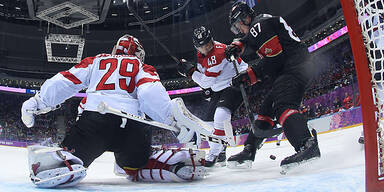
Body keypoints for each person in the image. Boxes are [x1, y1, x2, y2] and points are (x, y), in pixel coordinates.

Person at [21, 34, 208, 188]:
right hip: (133, 127)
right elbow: (150, 92)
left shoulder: (96, 61)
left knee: (73, 155)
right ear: (139, 53)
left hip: (95, 122)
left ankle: (63, 161)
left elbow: (65, 81)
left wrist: (38, 101)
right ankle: (140, 164)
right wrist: (172, 121)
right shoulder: (142, 66)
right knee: (137, 160)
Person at [224, 2, 320, 171]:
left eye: (239, 25)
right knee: (265, 110)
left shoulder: (258, 26)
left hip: (293, 68)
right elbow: (250, 39)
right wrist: (238, 44)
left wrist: (248, 75)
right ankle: (249, 150)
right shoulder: (261, 23)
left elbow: (275, 60)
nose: (239, 30)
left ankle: (306, 144)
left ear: (246, 18)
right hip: (294, 67)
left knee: (282, 106)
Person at [178, 26, 248, 167]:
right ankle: (220, 150)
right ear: (196, 47)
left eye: (208, 42)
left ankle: (214, 154)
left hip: (236, 82)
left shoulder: (217, 53)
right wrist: (193, 70)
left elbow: (206, 82)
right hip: (221, 86)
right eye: (202, 45)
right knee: (208, 121)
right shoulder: (201, 54)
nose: (206, 47)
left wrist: (190, 72)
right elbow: (206, 78)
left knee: (221, 116)